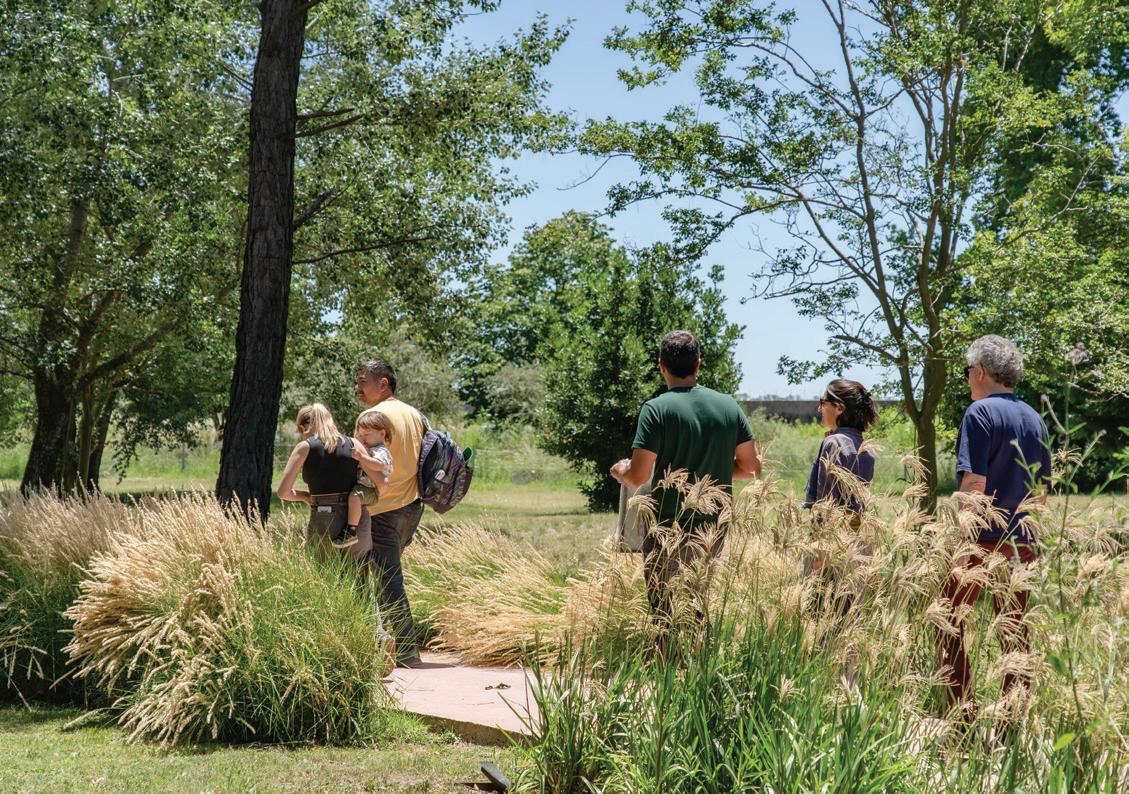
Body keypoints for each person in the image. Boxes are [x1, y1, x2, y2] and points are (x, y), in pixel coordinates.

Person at [610, 330, 762, 623]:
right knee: (696, 608)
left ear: (661, 365)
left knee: (665, 617)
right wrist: (713, 469)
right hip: (712, 529)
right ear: (698, 364)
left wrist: (620, 471)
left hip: (668, 528)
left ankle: (672, 655)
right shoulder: (729, 406)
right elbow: (751, 467)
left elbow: (638, 476)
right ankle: (699, 654)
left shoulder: (656, 410)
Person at [939, 335, 1052, 723]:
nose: (967, 378)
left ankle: (961, 721)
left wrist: (959, 543)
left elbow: (974, 483)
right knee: (1015, 633)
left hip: (981, 542)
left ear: (980, 372)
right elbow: (1041, 493)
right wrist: (1027, 539)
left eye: (967, 371)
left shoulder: (980, 413)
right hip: (1022, 545)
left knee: (947, 623)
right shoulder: (1036, 419)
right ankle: (1011, 723)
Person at [354, 359, 427, 668]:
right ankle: (384, 643)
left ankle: (407, 652)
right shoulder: (414, 414)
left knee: (387, 580)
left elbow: (359, 461)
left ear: (383, 383)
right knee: (386, 578)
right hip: (412, 507)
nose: (357, 388)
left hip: (381, 508)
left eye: (363, 382)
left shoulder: (371, 418)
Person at [277, 403, 359, 553]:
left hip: (325, 514)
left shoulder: (305, 447)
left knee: (322, 565)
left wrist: (304, 496)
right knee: (359, 566)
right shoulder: (354, 443)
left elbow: (283, 492)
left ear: (302, 427)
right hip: (357, 518)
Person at [802, 379, 878, 518]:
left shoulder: (834, 443)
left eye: (822, 403)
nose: (819, 409)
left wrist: (819, 525)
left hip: (832, 526)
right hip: (857, 525)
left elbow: (826, 500)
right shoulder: (867, 448)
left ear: (839, 408)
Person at [336, 410, 394, 550]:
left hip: (370, 489)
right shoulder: (369, 449)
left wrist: (362, 457)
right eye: (360, 435)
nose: (363, 438)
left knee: (355, 497)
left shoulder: (380, 451)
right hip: (363, 486)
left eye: (367, 434)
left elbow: (378, 465)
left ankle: (351, 530)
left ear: (382, 433)